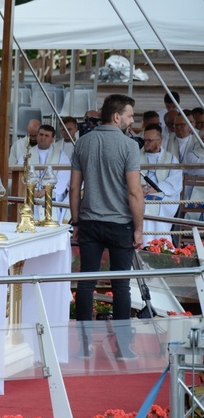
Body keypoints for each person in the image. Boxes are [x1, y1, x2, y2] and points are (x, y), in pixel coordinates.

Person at [70, 94, 144, 361]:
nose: (132, 119)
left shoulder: (83, 142)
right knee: (121, 285)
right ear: (117, 117)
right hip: (120, 223)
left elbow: (74, 188)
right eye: (130, 115)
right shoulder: (129, 146)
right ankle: (123, 348)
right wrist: (139, 228)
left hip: (89, 221)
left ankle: (84, 346)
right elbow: (135, 192)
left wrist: (76, 221)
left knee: (86, 283)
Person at [139, 124, 182, 245]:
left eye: (150, 140)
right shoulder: (135, 156)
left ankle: (160, 244)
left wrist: (158, 188)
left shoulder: (171, 159)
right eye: (145, 140)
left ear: (159, 141)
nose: (146, 143)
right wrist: (138, 187)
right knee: (143, 203)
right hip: (140, 193)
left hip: (164, 196)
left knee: (153, 204)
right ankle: (143, 243)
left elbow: (175, 182)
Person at [21, 124, 70, 223]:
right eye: (41, 134)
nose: (43, 138)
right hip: (31, 194)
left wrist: (47, 190)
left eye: (47, 136)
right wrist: (31, 189)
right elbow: (20, 173)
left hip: (52, 194)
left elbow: (64, 177)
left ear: (53, 139)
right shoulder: (27, 154)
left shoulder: (61, 155)